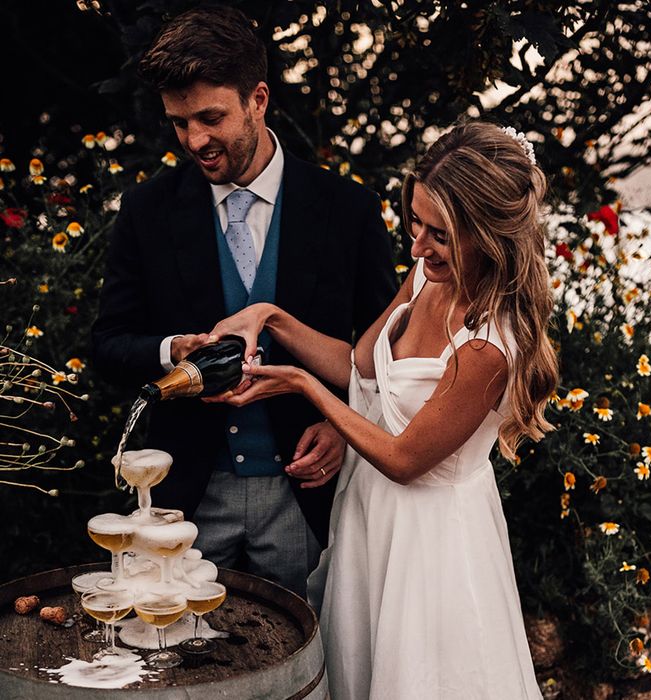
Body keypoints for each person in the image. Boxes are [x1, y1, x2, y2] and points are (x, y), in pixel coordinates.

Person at [206, 121, 556, 699]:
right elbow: (359, 368)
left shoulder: (489, 344)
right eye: (415, 223)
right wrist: (270, 316)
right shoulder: (424, 276)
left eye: (439, 234)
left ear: (489, 233)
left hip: (431, 545)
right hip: (369, 519)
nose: (417, 246)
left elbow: (402, 458)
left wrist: (300, 386)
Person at [90, 6, 396, 598]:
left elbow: (385, 354)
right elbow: (107, 345)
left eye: (210, 117)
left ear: (258, 99)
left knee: (306, 665)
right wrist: (169, 349)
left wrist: (342, 427)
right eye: (179, 123)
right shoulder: (147, 212)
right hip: (187, 499)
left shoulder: (347, 209)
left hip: (306, 495)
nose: (195, 140)